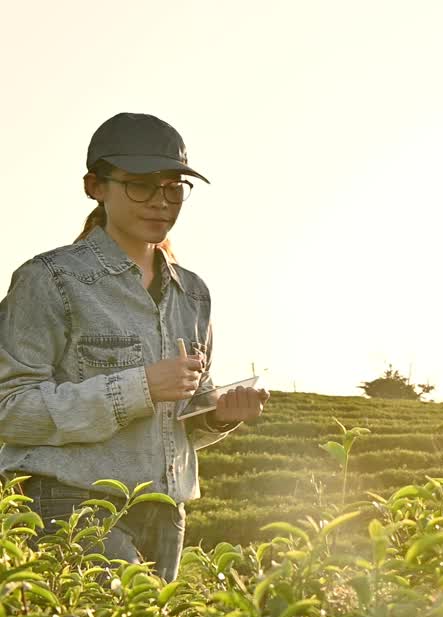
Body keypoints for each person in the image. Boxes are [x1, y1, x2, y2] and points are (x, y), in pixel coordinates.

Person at [0, 112, 269, 583]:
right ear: (95, 186)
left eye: (172, 187)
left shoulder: (194, 292)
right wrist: (140, 386)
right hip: (72, 502)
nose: (160, 202)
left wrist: (220, 413)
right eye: (140, 185)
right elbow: (10, 407)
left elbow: (178, 421)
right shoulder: (50, 280)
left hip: (166, 512)